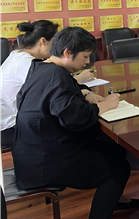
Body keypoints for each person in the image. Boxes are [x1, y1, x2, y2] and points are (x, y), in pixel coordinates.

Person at [11, 27, 135, 219]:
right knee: (119, 167)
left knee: (116, 151)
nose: (87, 62)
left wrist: (85, 95)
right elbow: (75, 119)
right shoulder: (57, 75)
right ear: (67, 53)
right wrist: (105, 105)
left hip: (30, 155)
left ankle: (111, 199)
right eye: (85, 56)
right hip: (46, 164)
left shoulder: (41, 68)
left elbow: (64, 96)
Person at [1, 20, 95, 149]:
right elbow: (53, 87)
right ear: (43, 41)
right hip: (12, 125)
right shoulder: (26, 64)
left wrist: (83, 91)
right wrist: (80, 80)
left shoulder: (18, 54)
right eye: (55, 41)